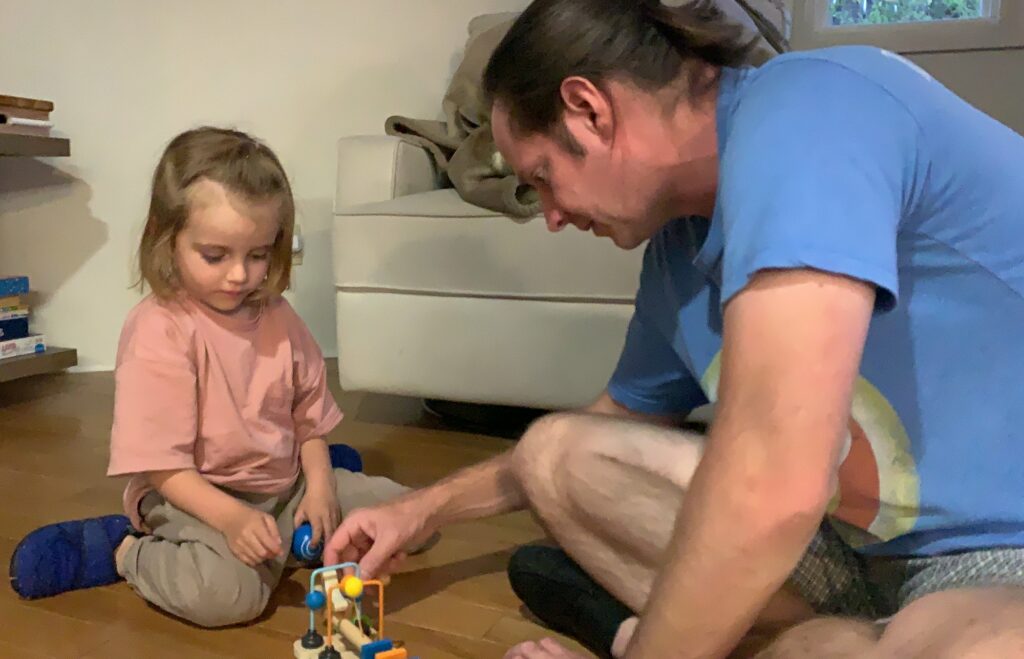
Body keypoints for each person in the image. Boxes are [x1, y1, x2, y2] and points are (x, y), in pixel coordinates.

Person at [324, 0, 1024, 657]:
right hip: (853, 548)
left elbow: (775, 481)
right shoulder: (677, 251)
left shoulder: (809, 114)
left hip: (999, 551)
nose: (553, 215)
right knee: (553, 455)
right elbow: (613, 424)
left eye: (543, 177)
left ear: (589, 110)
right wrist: (424, 510)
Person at [9, 127, 412, 628]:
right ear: (167, 237)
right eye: (216, 256)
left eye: (258, 254)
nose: (240, 275)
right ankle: (126, 548)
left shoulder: (279, 316)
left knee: (407, 518)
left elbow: (308, 418)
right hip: (194, 499)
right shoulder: (160, 331)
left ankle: (314, 502)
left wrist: (321, 485)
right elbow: (163, 467)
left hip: (281, 486)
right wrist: (234, 519)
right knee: (231, 599)